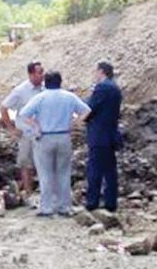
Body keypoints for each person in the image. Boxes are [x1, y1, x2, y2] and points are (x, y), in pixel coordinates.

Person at [19, 71, 91, 217]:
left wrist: (36, 126)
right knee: (63, 173)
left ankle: (47, 208)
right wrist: (74, 123)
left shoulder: (40, 97)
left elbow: (24, 114)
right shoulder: (69, 97)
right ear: (60, 82)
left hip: (45, 137)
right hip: (64, 136)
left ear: (45, 82)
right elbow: (86, 110)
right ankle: (64, 206)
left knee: (45, 173)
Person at [0, 61, 44, 199]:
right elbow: (3, 107)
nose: (42, 75)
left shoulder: (45, 89)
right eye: (39, 72)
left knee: (44, 163)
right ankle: (28, 194)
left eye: (42, 72)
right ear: (31, 74)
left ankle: (44, 193)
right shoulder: (21, 91)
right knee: (26, 163)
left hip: (43, 133)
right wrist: (11, 129)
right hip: (26, 134)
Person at [85, 61, 123, 212]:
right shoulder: (115, 88)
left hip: (99, 135)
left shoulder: (102, 88)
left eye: (96, 71)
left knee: (95, 169)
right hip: (111, 133)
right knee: (110, 170)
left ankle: (92, 201)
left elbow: (90, 108)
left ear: (101, 71)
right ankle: (110, 201)